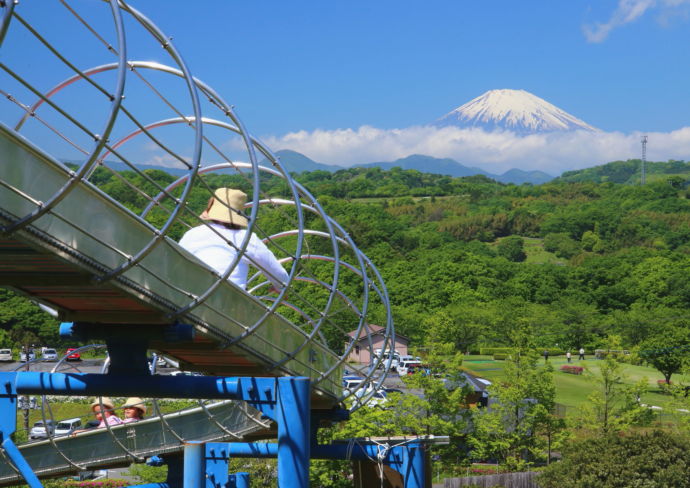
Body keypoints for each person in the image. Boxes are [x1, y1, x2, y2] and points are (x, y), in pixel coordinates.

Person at [179, 188, 289, 291]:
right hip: (227, 303)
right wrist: (280, 286)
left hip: (184, 294)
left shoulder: (192, 233)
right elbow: (279, 275)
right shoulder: (246, 239)